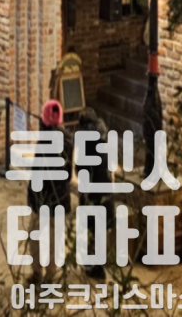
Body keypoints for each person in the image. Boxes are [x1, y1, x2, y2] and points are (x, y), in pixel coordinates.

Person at [28, 100, 73, 284]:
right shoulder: (68, 140)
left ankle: (37, 272)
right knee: (55, 237)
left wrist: (33, 197)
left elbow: (38, 172)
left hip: (43, 197)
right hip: (60, 197)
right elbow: (68, 173)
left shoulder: (44, 142)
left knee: (35, 234)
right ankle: (51, 274)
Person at [76, 107, 113, 279]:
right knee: (100, 229)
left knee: (91, 228)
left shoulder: (86, 143)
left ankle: (92, 266)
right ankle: (99, 264)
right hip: (105, 192)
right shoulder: (103, 138)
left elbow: (81, 169)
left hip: (91, 192)